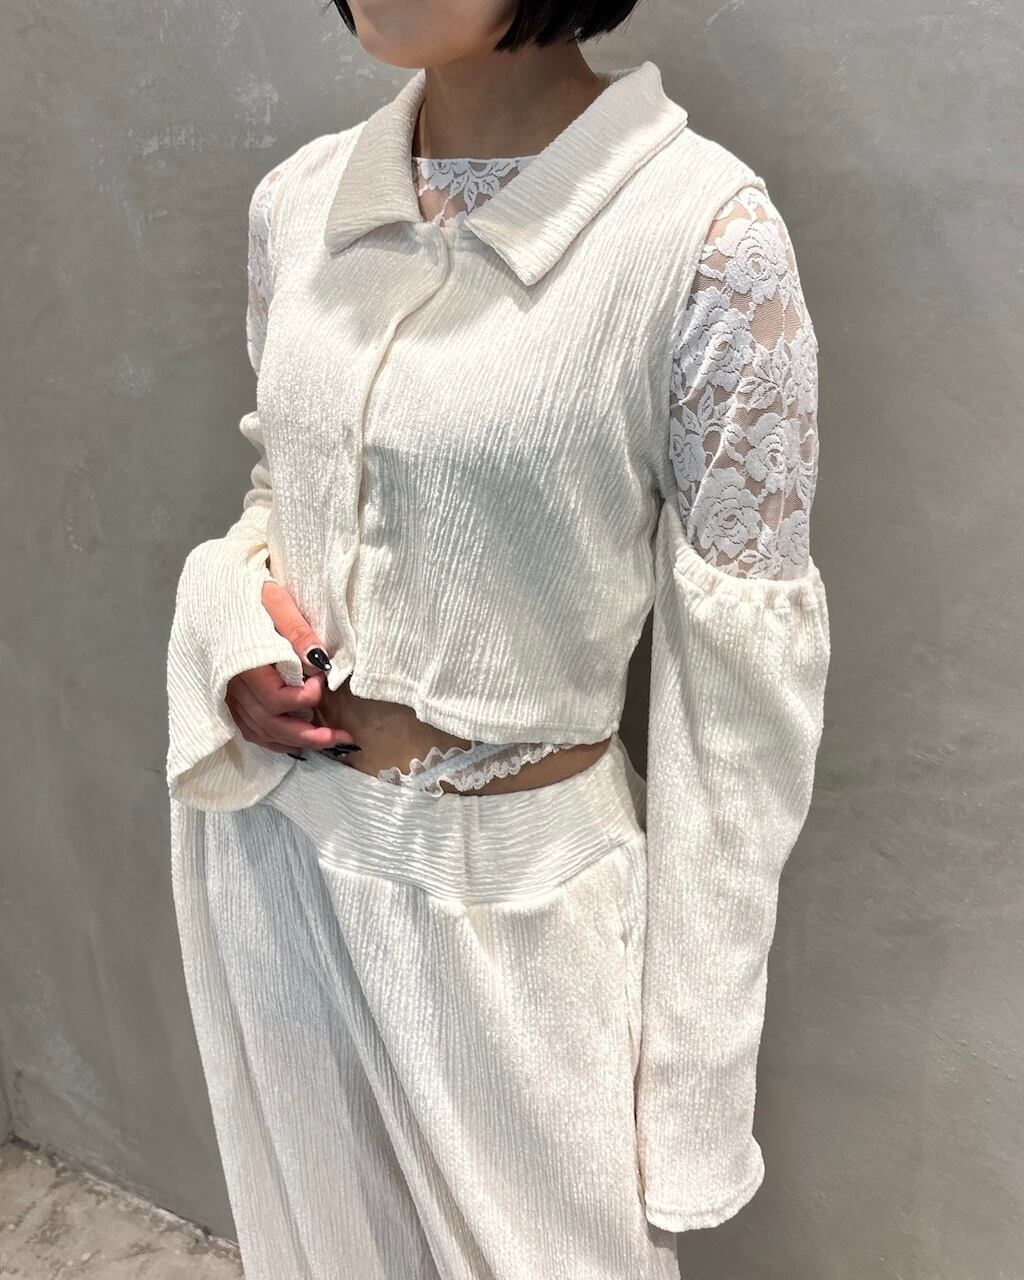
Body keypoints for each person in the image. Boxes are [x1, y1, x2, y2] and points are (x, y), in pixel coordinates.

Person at [164, 3, 831, 1277]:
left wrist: (691, 1091)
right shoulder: (299, 202)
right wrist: (234, 633)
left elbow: (741, 703)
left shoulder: (704, 236)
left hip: (518, 901)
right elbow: (285, 497)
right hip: (283, 850)